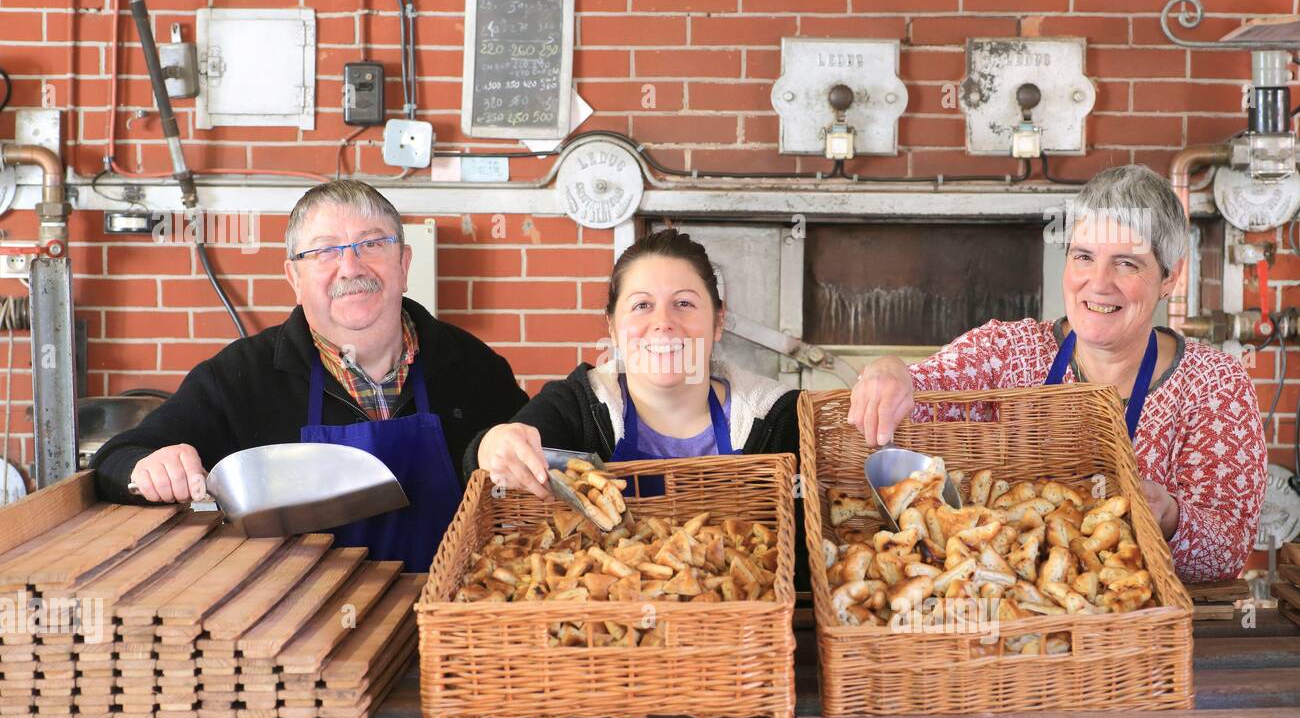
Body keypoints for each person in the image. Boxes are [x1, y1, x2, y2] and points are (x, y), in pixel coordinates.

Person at [847, 164, 1265, 583]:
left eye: (1126, 264)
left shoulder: (1214, 384)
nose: (1098, 284)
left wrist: (1171, 517)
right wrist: (889, 369)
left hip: (1134, 625)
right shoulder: (1008, 353)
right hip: (1005, 612)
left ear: (1169, 276)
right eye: (1084, 256)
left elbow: (1227, 554)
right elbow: (916, 396)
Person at [92, 179, 528, 572]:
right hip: (299, 637)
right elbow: (117, 458)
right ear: (294, 278)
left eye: (372, 244)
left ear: (403, 263)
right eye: (323, 251)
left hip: (453, 627)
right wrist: (150, 466)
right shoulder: (242, 378)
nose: (351, 267)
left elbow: (539, 471)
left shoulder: (474, 368)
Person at [470, 228, 799, 496]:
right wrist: (492, 447)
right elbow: (490, 462)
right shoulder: (576, 406)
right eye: (642, 305)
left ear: (718, 320)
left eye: (684, 303)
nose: (663, 322)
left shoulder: (780, 417)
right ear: (612, 326)